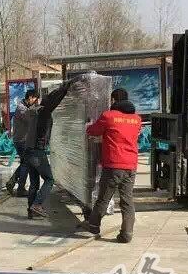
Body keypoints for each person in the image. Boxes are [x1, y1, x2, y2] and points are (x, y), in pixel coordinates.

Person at [80, 88, 141, 242]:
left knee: (104, 198)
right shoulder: (136, 119)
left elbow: (92, 131)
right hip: (131, 165)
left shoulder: (109, 116)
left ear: (113, 100)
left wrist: (89, 125)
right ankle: (127, 234)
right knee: (127, 201)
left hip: (113, 165)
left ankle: (93, 225)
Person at [24, 79, 80, 219]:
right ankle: (37, 205)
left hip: (28, 151)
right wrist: (64, 90)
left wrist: (61, 88)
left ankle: (31, 211)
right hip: (37, 151)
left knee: (34, 184)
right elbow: (53, 103)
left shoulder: (33, 111)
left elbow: (51, 100)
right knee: (49, 179)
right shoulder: (43, 112)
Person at [5, 90, 39, 196]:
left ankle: (12, 182)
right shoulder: (21, 108)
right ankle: (20, 188)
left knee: (25, 162)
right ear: (30, 97)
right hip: (21, 141)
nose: (35, 101)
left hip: (23, 140)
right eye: (35, 98)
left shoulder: (26, 107)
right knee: (26, 164)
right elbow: (31, 119)